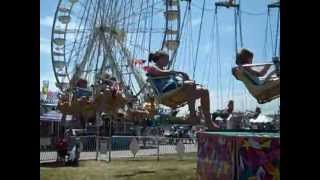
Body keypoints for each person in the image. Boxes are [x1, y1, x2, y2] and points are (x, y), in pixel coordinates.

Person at [145, 51, 219, 129]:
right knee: (190, 84)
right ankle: (192, 116)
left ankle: (209, 122)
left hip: (175, 92)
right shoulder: (152, 67)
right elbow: (160, 73)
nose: (168, 61)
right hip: (166, 93)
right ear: (160, 58)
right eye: (166, 59)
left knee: (204, 91)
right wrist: (177, 72)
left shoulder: (165, 70)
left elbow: (167, 74)